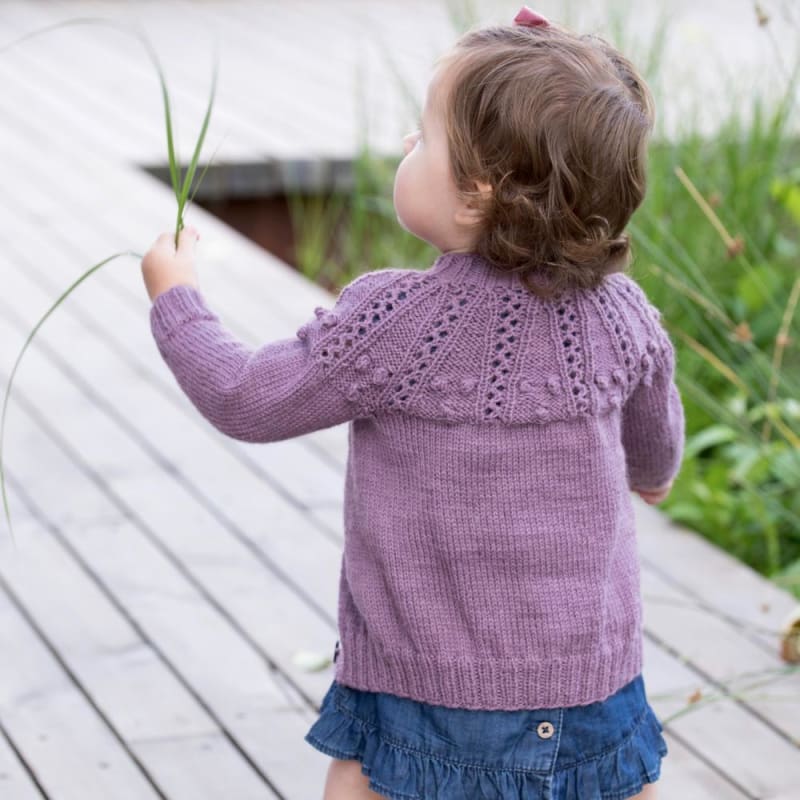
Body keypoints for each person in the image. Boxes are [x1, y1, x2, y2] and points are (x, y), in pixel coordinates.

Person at [140, 6, 683, 799]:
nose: (405, 146)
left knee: (360, 781)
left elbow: (245, 398)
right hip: (590, 684)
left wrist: (177, 298)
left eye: (423, 137)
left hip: (418, 686)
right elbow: (657, 444)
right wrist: (655, 476)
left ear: (477, 196)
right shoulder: (622, 314)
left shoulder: (394, 321)